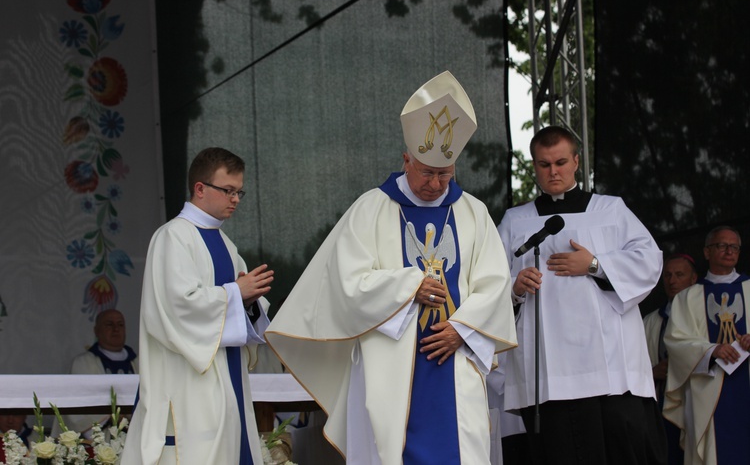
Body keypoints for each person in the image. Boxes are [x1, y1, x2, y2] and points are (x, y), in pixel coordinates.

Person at [265, 71, 517, 464]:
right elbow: (346, 285)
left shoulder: (474, 213)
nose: (436, 184)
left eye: (444, 175)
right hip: (388, 366)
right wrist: (408, 287)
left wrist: (462, 330)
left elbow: (495, 286)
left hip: (454, 363)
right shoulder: (371, 209)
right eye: (427, 173)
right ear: (406, 161)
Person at [497, 125, 666, 465]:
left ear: (576, 161)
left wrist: (593, 264)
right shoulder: (515, 222)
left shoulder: (611, 210)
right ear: (534, 167)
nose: (553, 171)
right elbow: (489, 283)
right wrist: (514, 288)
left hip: (610, 371)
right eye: (544, 165)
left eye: (560, 162)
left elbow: (649, 261)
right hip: (548, 374)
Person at [121, 147, 274, 465]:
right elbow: (177, 308)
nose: (235, 199)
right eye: (228, 190)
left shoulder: (227, 245)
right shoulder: (173, 237)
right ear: (200, 189)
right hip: (190, 379)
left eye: (239, 192)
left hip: (227, 376)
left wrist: (247, 301)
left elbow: (237, 306)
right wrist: (234, 294)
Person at [664, 226, 748, 465]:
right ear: (707, 252)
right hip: (707, 392)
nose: (729, 251)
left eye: (734, 247)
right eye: (722, 245)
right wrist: (711, 350)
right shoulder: (687, 298)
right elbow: (676, 341)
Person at [643, 254, 698, 465]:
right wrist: (652, 371)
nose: (672, 281)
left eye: (679, 274)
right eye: (667, 275)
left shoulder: (704, 316)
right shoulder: (651, 321)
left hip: (696, 401)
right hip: (662, 404)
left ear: (693, 279)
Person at [55, 309, 138, 439]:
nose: (116, 329)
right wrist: (111, 417)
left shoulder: (139, 363)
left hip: (137, 435)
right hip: (100, 437)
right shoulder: (83, 363)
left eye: (120, 324)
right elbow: (76, 404)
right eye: (109, 324)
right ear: (96, 330)